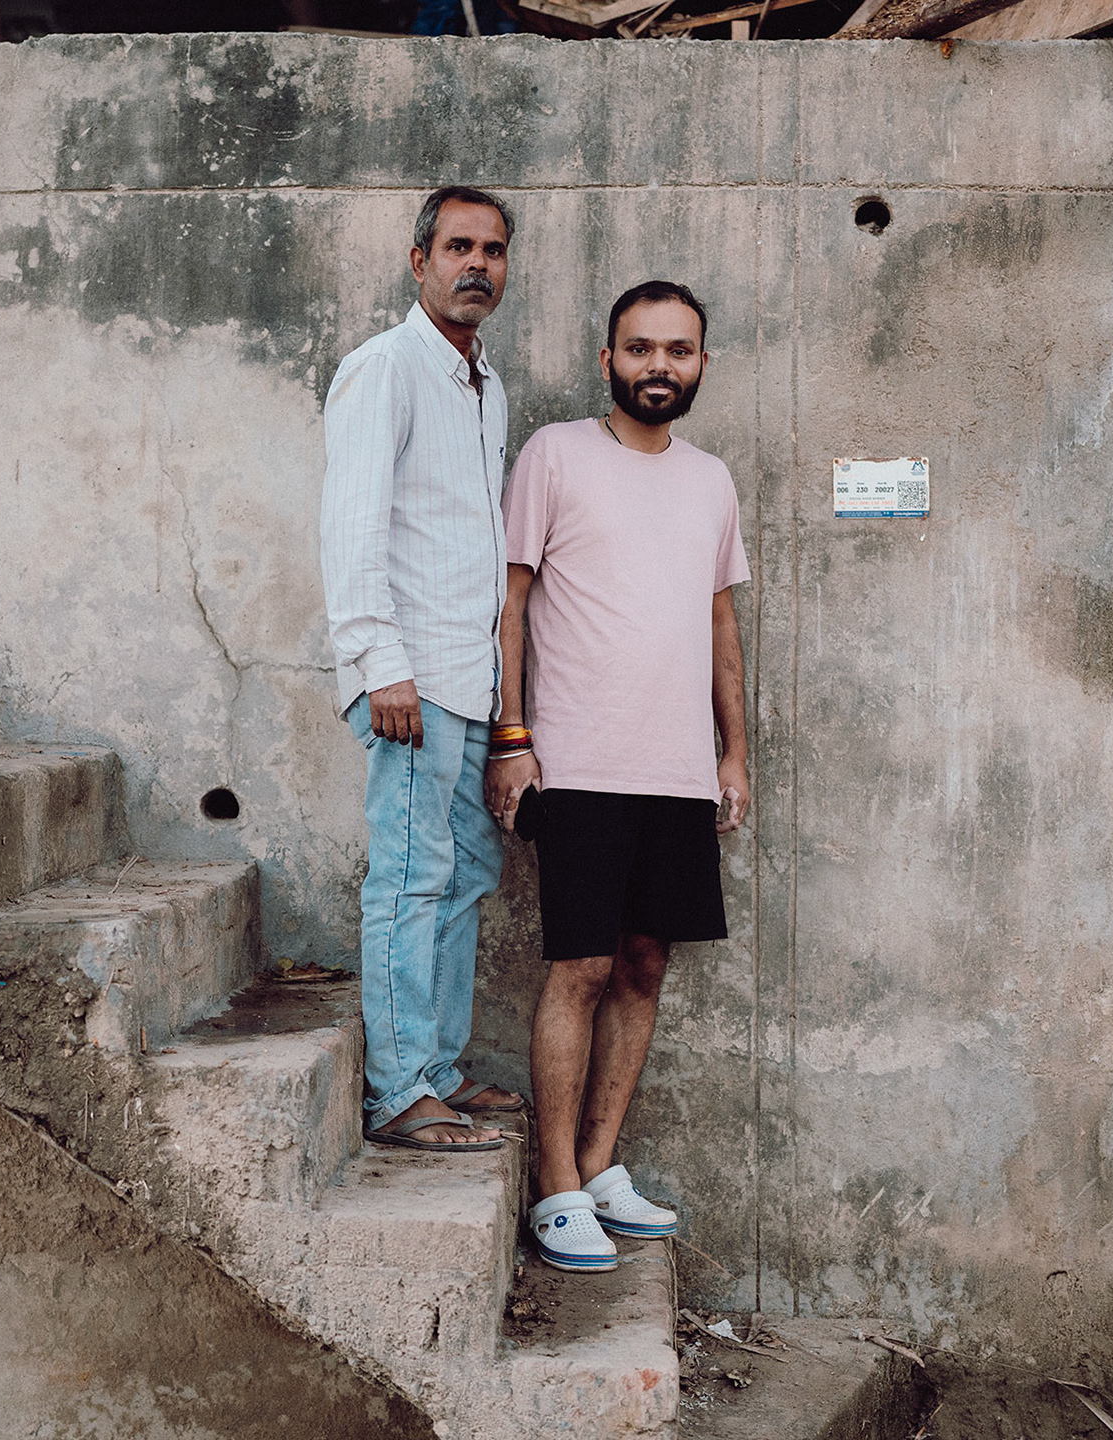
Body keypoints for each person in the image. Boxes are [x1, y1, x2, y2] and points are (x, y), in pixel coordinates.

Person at [487, 281, 750, 1270]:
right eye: (640, 349)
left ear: (700, 365)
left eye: (678, 351)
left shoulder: (711, 480)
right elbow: (509, 604)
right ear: (608, 360)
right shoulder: (556, 455)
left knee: (644, 966)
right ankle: (554, 1186)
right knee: (583, 968)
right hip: (581, 762)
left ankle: (598, 1169)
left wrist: (733, 750)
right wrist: (510, 736)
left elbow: (719, 620)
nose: (658, 367)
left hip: (677, 771)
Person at [320, 186, 528, 1153]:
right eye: (456, 247)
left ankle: (437, 1069)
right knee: (408, 878)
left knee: (462, 872)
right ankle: (399, 1090)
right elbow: (351, 526)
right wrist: (379, 663)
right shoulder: (386, 369)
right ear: (419, 260)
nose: (474, 264)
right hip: (412, 681)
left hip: (469, 680)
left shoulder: (485, 384)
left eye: (490, 250)